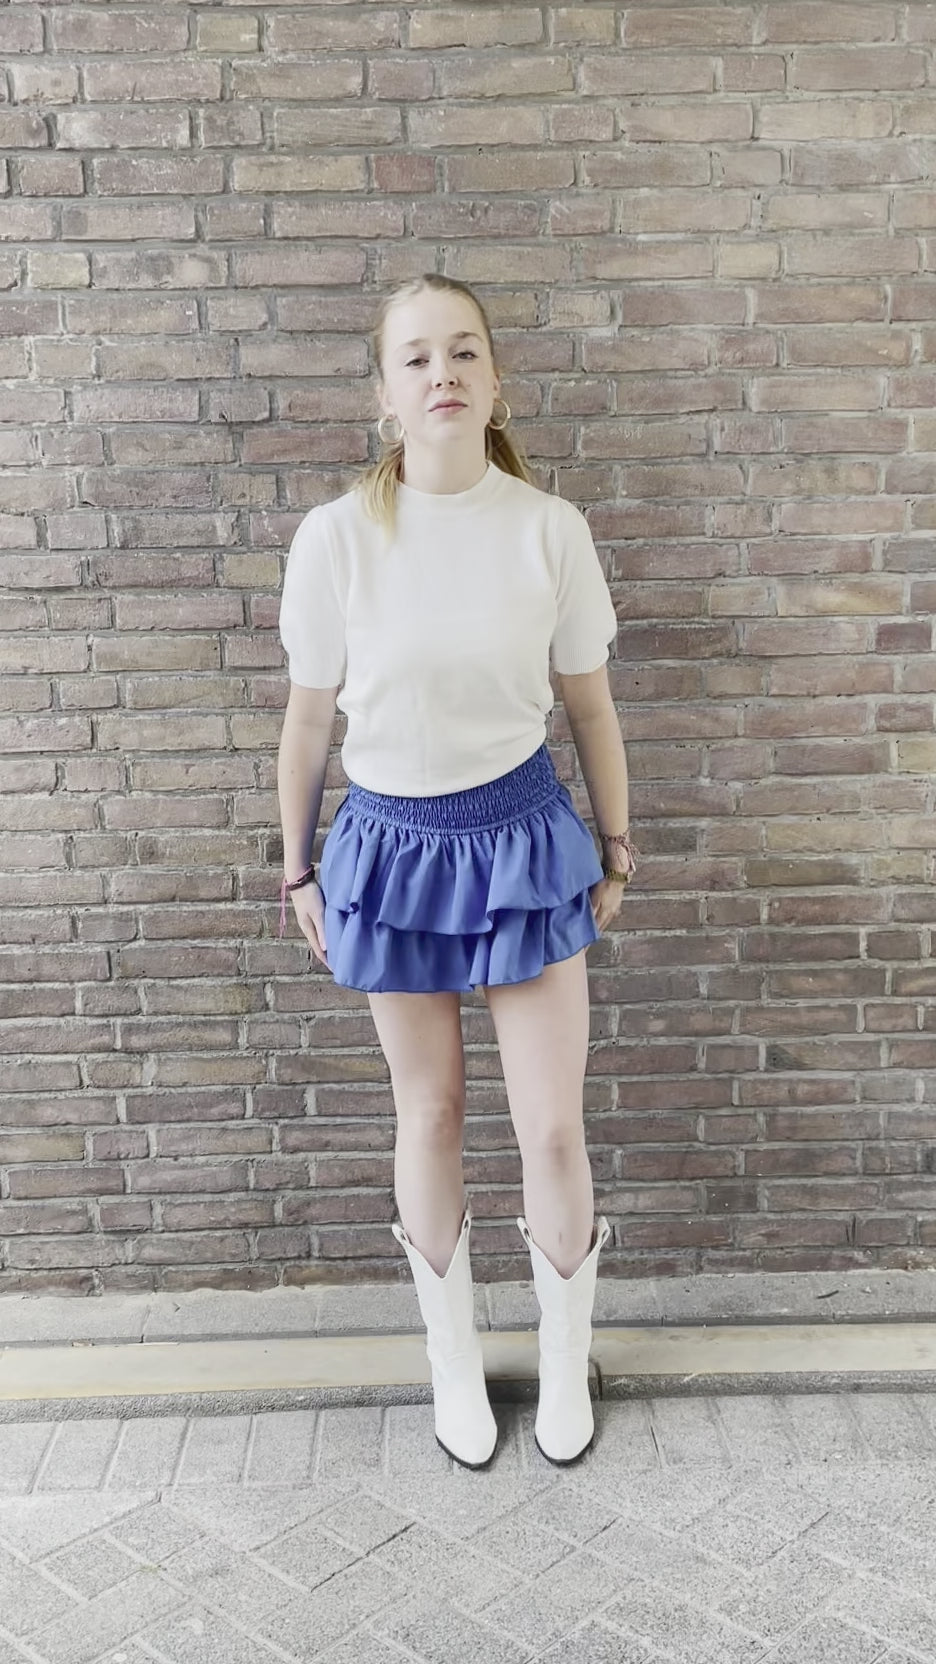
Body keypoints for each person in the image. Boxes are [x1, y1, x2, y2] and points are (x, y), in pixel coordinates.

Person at [276, 274, 636, 1472]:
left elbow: (591, 705)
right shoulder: (336, 537)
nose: (444, 373)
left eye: (464, 351)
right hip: (389, 850)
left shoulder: (549, 528)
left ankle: (566, 1359)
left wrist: (617, 843)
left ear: (495, 380)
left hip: (525, 841)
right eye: (418, 357)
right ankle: (454, 1362)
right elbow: (307, 723)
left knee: (551, 1126)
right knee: (427, 1112)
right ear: (384, 393)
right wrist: (298, 872)